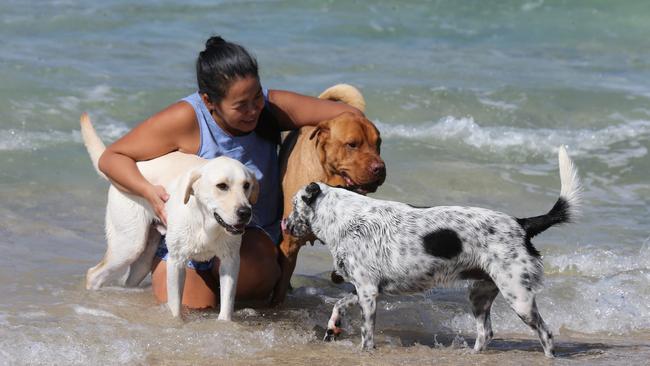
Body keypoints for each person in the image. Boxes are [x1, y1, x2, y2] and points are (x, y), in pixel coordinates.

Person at [98, 35, 363, 308]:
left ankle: (255, 286)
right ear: (208, 101)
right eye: (241, 106)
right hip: (190, 237)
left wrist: (339, 166)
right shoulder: (187, 118)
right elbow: (112, 158)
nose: (253, 110)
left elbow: (349, 115)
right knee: (194, 313)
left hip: (249, 235)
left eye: (257, 96)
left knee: (252, 284)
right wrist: (149, 193)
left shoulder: (272, 107)